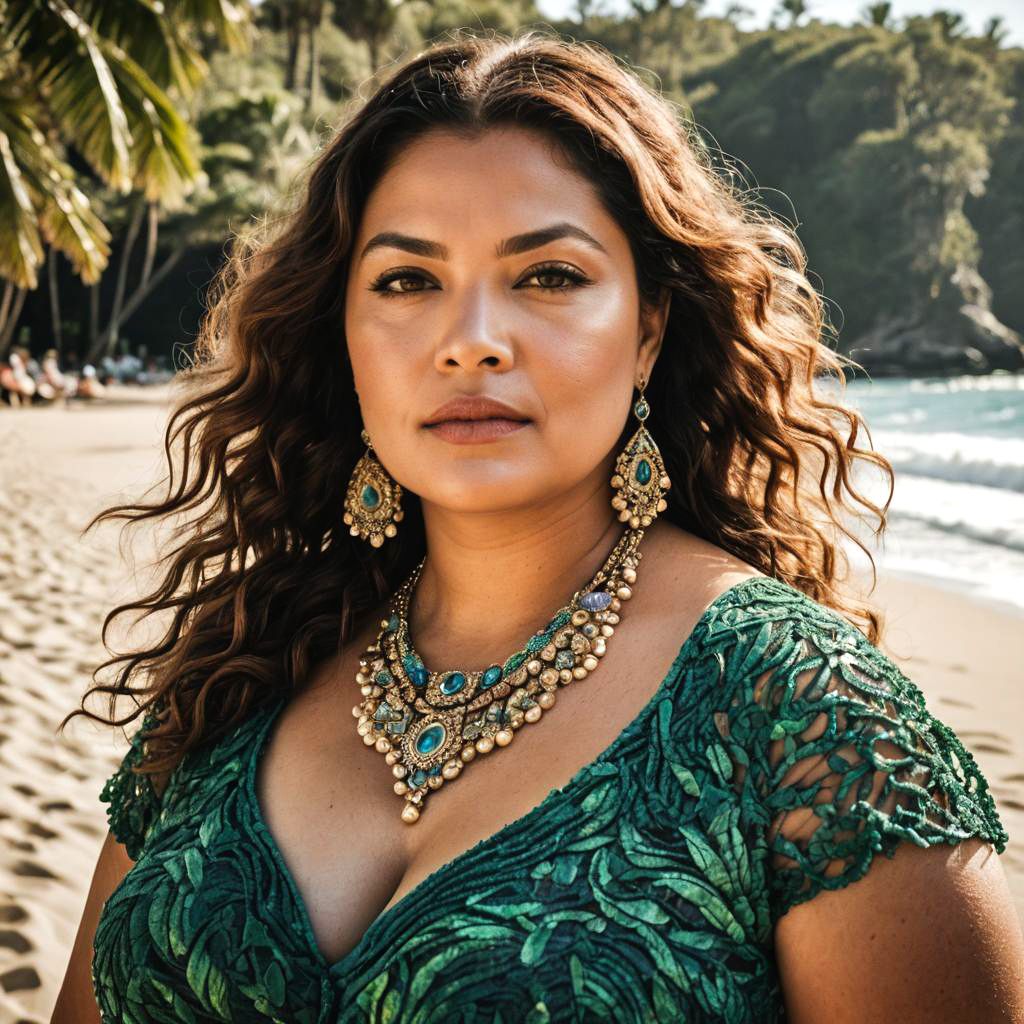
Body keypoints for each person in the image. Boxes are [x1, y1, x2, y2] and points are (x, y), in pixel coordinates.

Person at [54, 30, 1022, 1024]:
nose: (470, 339)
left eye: (549, 275)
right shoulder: (245, 661)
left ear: (648, 328)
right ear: (342, 332)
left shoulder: (804, 718)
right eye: (406, 280)